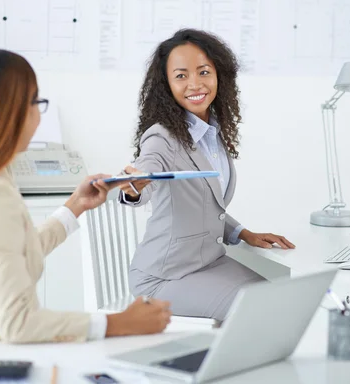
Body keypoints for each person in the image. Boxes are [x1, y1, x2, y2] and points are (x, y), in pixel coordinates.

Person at [0, 49, 171, 345]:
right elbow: (17, 323)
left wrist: (75, 207)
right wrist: (118, 322)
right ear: (10, 112)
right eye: (36, 101)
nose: (37, 113)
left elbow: (12, 250)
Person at [119, 29, 295, 321]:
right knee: (265, 311)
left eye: (203, 72)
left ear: (219, 75)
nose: (195, 84)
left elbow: (206, 207)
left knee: (282, 297)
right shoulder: (161, 136)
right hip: (165, 277)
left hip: (210, 264)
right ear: (166, 85)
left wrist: (244, 234)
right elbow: (146, 169)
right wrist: (135, 185)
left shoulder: (212, 133)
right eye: (181, 76)